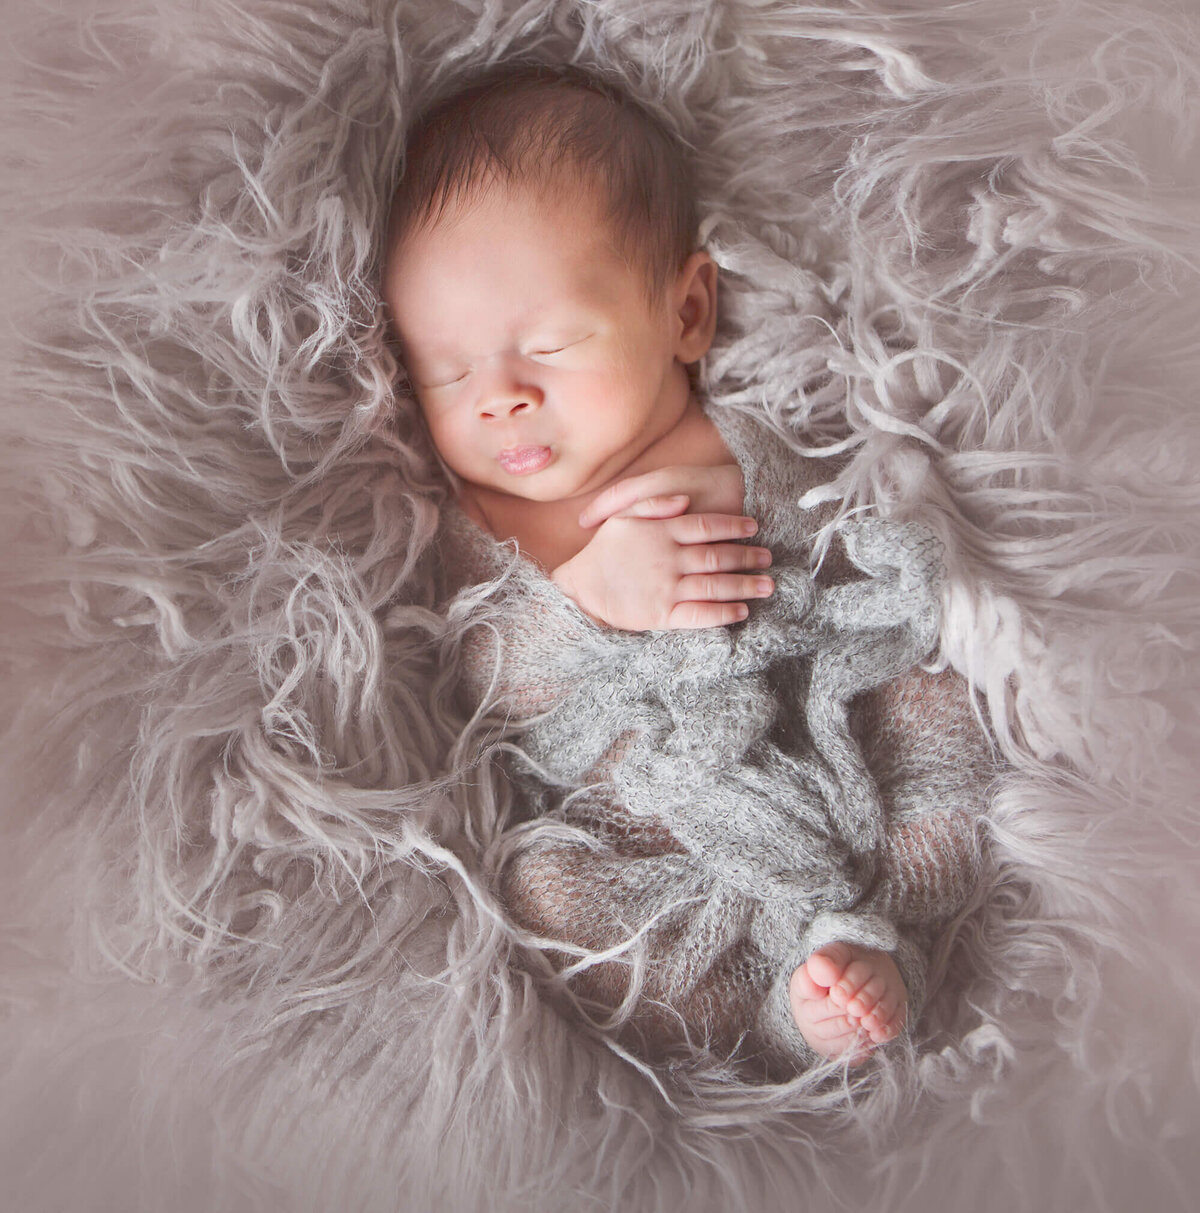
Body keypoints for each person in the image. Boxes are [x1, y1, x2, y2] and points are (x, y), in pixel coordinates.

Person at [383, 64, 990, 1072]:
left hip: (827, 752)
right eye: (447, 371)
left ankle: (873, 948)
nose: (498, 398)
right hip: (652, 842)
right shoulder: (484, 519)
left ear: (687, 313)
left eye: (549, 343)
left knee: (932, 717)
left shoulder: (747, 442)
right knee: (553, 899)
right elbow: (481, 678)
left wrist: (871, 567)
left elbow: (849, 572)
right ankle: (794, 1019)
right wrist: (582, 599)